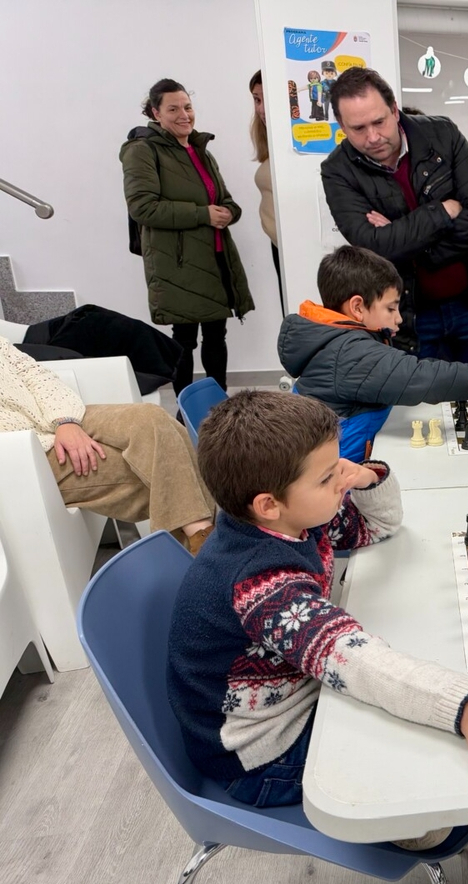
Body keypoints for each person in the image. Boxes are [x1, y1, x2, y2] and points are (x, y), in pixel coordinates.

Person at [166, 390, 468, 884]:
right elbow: (355, 662)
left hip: (295, 696)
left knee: (452, 686)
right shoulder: (261, 584)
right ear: (268, 504)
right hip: (263, 754)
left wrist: (367, 477)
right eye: (329, 476)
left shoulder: (294, 521)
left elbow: (378, 526)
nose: (341, 480)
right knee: (464, 722)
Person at [278, 246, 468, 462]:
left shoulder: (334, 338)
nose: (398, 319)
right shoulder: (350, 353)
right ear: (357, 307)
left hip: (338, 462)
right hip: (337, 477)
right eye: (390, 308)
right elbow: (419, 376)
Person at [321, 67, 468, 367]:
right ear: (341, 125)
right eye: (358, 128)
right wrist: (443, 211)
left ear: (394, 109)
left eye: (379, 122)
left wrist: (412, 249)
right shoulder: (337, 170)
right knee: (421, 410)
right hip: (408, 317)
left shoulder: (443, 134)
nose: (373, 136)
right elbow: (375, 249)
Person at [0, 336, 215, 553]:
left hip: (56, 417)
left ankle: (207, 548)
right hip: (22, 452)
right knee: (163, 470)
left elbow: (37, 376)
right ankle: (207, 542)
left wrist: (64, 421)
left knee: (151, 418)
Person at [122, 78, 255, 397]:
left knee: (216, 335)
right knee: (183, 339)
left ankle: (220, 404)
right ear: (155, 112)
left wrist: (228, 213)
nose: (184, 114)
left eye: (188, 106)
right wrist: (203, 214)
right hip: (178, 263)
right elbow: (143, 207)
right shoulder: (141, 150)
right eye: (173, 108)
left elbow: (225, 200)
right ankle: (186, 410)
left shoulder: (199, 150)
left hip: (216, 256)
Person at [248, 70, 283, 314]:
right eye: (256, 99)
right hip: (279, 248)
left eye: (266, 98)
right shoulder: (273, 145)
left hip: (297, 251)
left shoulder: (298, 144)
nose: (261, 109)